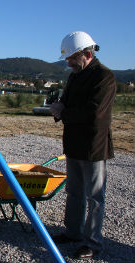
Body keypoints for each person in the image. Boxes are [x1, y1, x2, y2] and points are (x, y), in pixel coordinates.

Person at [50, 31, 116, 259]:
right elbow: (67, 102)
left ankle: (93, 243)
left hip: (94, 147)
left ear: (87, 54)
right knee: (74, 191)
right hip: (75, 144)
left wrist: (64, 112)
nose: (68, 63)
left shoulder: (104, 77)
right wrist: (59, 108)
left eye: (71, 58)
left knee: (95, 197)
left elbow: (94, 113)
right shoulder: (75, 76)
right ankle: (73, 232)